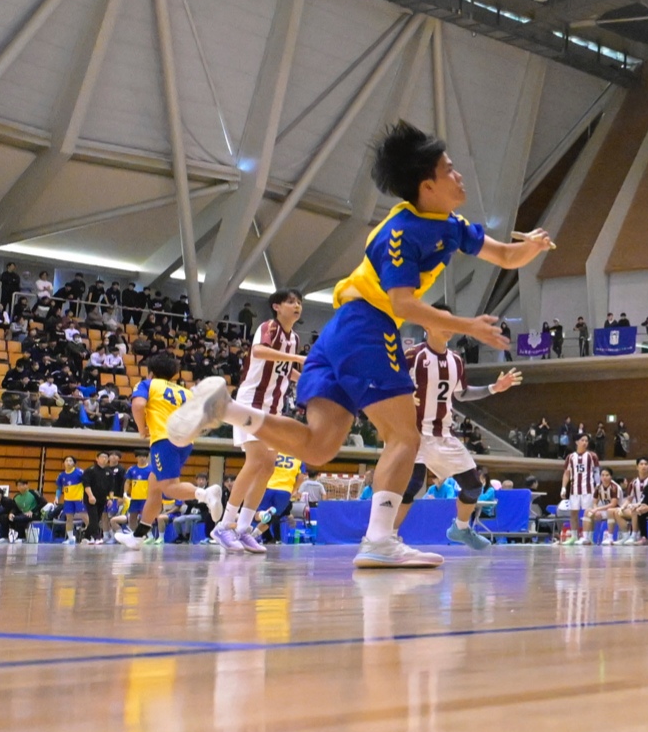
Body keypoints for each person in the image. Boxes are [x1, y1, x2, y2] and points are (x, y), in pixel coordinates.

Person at [157, 121, 553, 569]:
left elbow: (505, 255)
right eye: (449, 169)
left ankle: (225, 409)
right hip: (367, 325)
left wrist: (534, 247)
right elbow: (403, 303)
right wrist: (468, 325)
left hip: (341, 333)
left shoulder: (451, 224)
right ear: (427, 186)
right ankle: (380, 540)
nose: (459, 176)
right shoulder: (400, 233)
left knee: (318, 447)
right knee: (404, 436)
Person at [403, 315, 522, 551]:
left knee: (474, 486)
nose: (449, 327)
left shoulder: (456, 360)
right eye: (442, 322)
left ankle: (460, 527)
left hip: (444, 434)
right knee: (412, 485)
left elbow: (462, 393)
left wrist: (494, 388)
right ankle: (385, 538)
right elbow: (391, 386)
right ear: (427, 325)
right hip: (415, 432)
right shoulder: (413, 356)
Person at [211, 289, 306, 553]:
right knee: (255, 461)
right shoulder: (269, 328)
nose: (297, 305)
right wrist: (297, 359)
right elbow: (260, 352)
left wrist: (306, 379)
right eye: (291, 301)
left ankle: (243, 529)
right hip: (251, 402)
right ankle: (223, 525)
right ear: (277, 306)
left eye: (299, 302)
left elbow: (285, 371)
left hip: (274, 408)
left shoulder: (295, 338)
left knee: (268, 466)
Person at [120, 353, 225, 547]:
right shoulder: (186, 392)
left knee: (169, 486)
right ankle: (138, 536)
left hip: (163, 439)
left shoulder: (148, 384)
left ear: (151, 373)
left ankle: (204, 494)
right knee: (155, 487)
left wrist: (142, 429)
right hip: (186, 442)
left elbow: (138, 405)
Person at [559, 432, 600, 544]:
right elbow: (566, 473)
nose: (585, 443)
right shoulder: (570, 457)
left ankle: (589, 537)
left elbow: (596, 472)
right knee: (573, 513)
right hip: (574, 490)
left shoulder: (592, 456)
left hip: (589, 490)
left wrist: (598, 485)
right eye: (582, 440)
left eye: (586, 441)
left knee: (589, 513)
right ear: (576, 442)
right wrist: (563, 488)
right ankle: (574, 537)